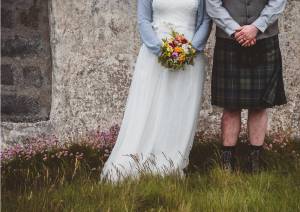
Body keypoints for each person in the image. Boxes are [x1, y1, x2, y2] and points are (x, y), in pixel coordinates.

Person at [100, 0, 212, 182]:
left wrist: (188, 51)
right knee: (147, 109)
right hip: (155, 56)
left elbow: (206, 22)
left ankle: (170, 164)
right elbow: (143, 20)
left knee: (179, 111)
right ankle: (136, 161)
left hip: (189, 58)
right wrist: (162, 51)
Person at [206, 0, 287, 172]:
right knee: (230, 106)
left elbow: (278, 1)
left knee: (260, 105)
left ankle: (255, 161)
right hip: (229, 39)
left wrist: (256, 27)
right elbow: (212, 4)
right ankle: (227, 162)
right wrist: (236, 31)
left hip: (265, 38)